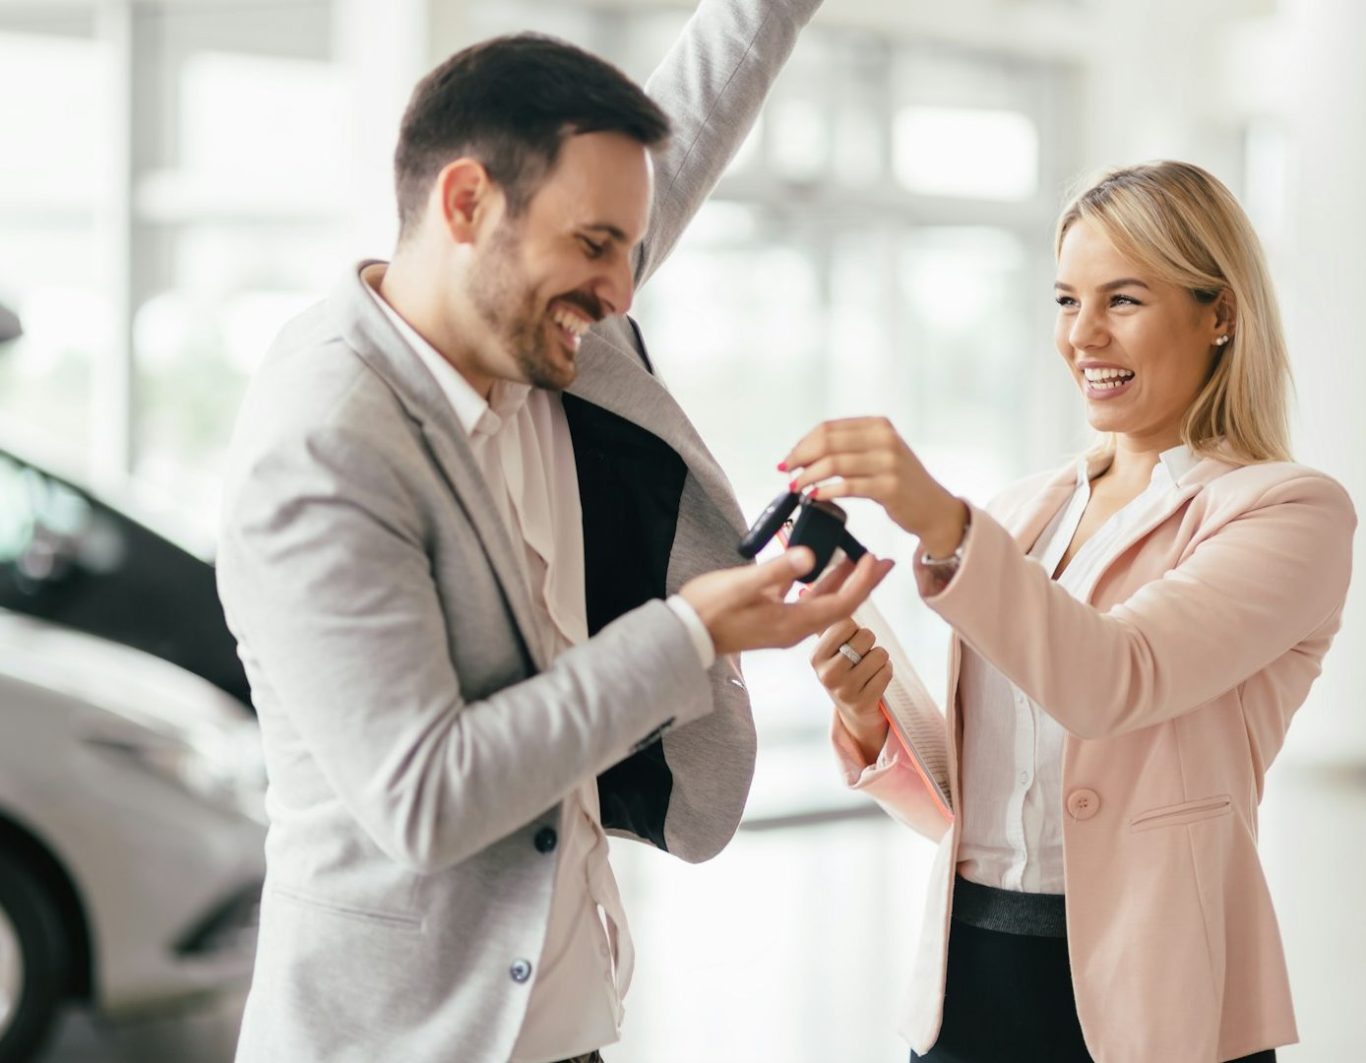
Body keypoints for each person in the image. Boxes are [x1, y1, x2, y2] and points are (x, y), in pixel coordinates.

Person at [216, 4, 893, 1062]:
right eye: (596, 248)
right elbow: (428, 796)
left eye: (627, 247)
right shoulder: (325, 444)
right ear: (466, 202)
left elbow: (691, 117)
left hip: (564, 1027)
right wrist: (690, 634)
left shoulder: (532, 321)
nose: (622, 291)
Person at [788, 161, 1355, 1062]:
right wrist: (870, 707)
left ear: (1221, 315)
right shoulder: (1022, 512)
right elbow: (971, 807)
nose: (1082, 335)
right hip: (964, 984)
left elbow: (1115, 678)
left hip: (1159, 998)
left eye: (1123, 299)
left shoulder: (1289, 511)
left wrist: (940, 519)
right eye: (1064, 299)